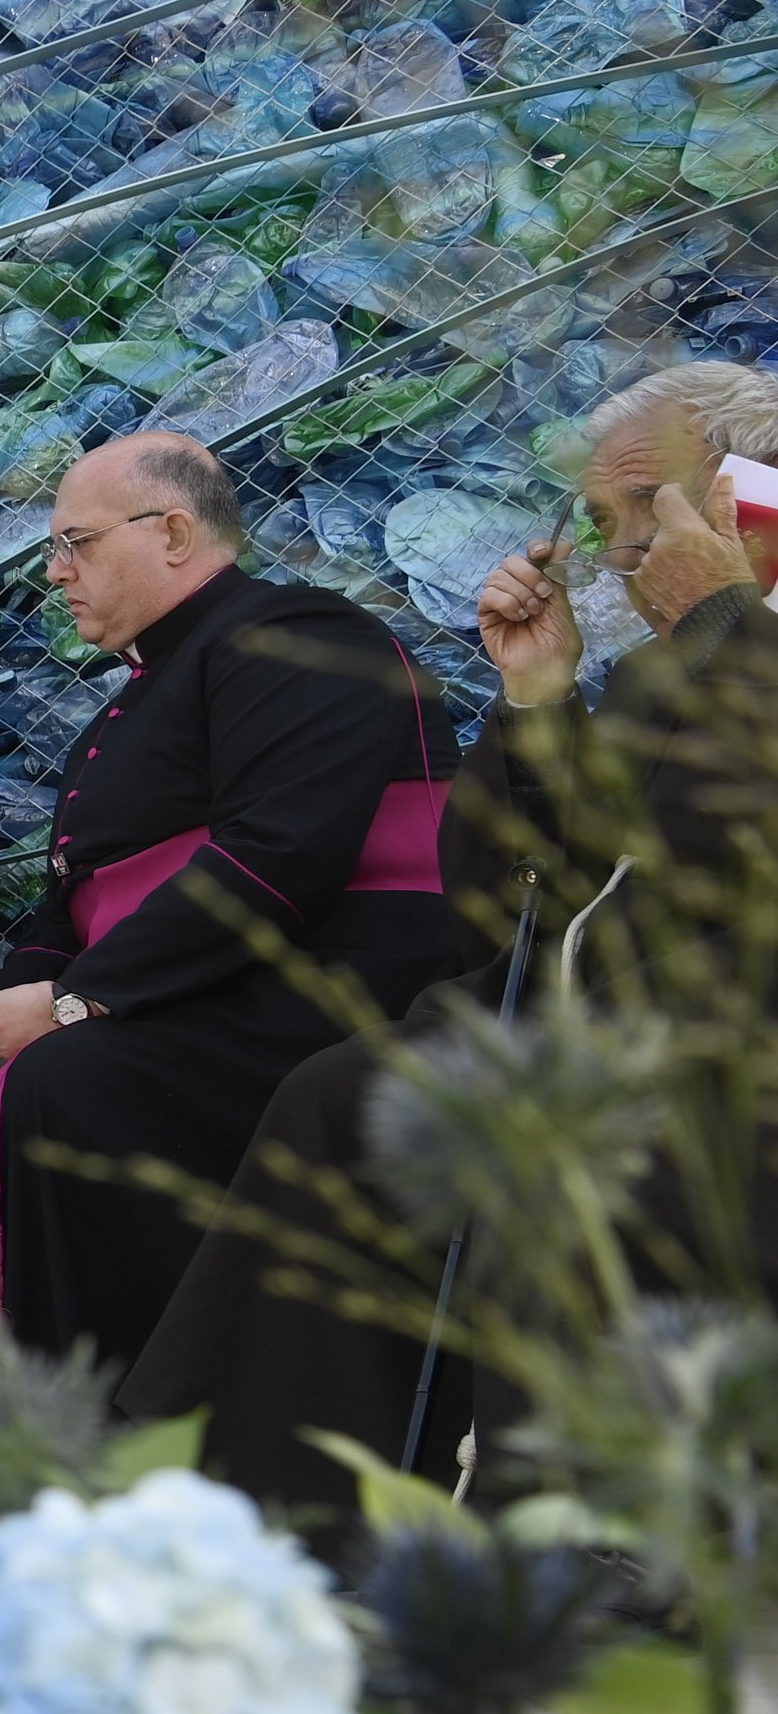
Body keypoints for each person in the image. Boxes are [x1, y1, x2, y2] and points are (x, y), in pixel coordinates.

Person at [121, 363, 778, 1535]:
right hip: (607, 1016)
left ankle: (590, 1535)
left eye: (645, 507)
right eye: (605, 517)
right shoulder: (665, 670)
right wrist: (538, 702)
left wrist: (731, 620)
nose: (622, 550)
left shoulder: (726, 644)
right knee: (348, 1099)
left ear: (747, 494)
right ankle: (275, 1507)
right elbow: (530, 907)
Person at [0, 433, 463, 1372]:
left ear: (171, 531)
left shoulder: (303, 633)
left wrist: (74, 1004)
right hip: (187, 990)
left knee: (64, 1081)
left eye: (75, 542)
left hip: (325, 984)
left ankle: (130, 1416)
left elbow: (280, 857)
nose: (54, 570)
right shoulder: (126, 705)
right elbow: (70, 909)